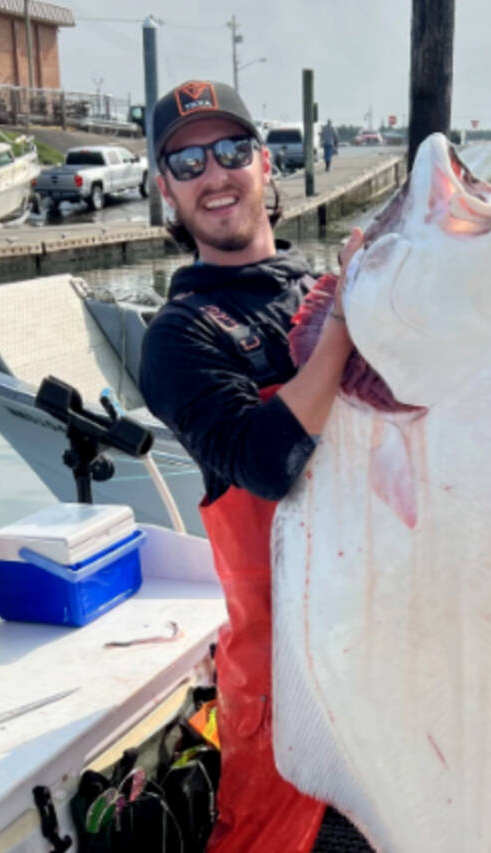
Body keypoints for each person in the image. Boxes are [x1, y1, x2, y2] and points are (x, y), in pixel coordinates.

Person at [139, 79, 363, 853]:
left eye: (232, 149)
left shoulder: (327, 287)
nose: (215, 173)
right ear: (165, 189)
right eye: (188, 159)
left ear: (266, 164)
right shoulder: (178, 337)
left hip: (381, 631)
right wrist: (341, 325)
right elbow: (268, 461)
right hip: (281, 678)